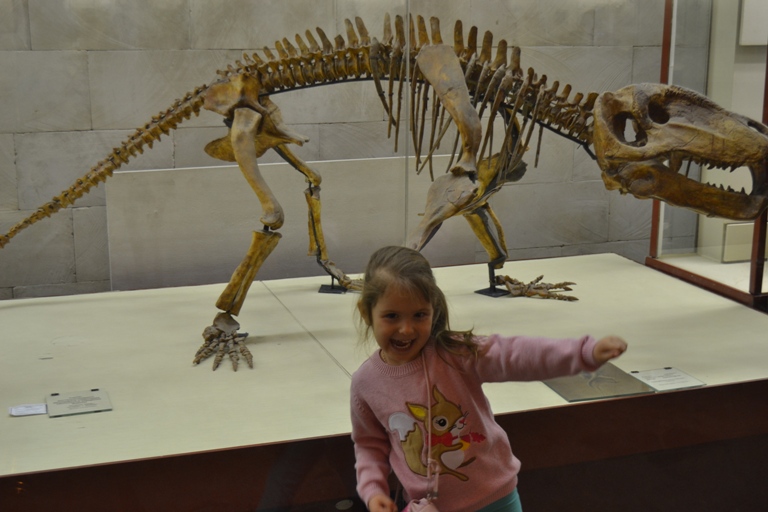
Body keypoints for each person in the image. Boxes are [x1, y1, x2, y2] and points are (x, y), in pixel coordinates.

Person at [350, 246, 628, 512]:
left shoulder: (456, 353)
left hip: (496, 499)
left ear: (433, 309)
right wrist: (373, 491)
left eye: (419, 315)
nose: (406, 329)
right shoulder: (366, 383)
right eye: (391, 316)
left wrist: (582, 353)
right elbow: (369, 445)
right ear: (366, 312)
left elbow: (517, 355)